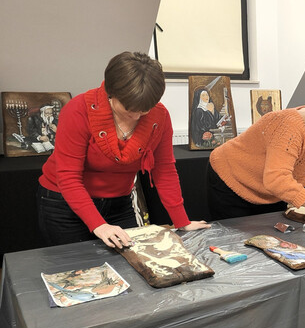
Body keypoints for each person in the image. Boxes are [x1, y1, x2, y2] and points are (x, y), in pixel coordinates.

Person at [37, 51, 209, 249]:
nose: (136, 116)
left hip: (119, 202)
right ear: (111, 93)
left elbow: (164, 170)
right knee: (77, 265)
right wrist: (99, 225)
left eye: (145, 109)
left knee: (131, 259)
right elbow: (68, 176)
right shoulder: (78, 111)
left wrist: (182, 221)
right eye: (129, 109)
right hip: (64, 204)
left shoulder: (159, 116)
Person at [207, 90, 305, 220]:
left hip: (268, 189)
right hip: (231, 177)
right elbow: (277, 179)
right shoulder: (288, 126)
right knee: (237, 243)